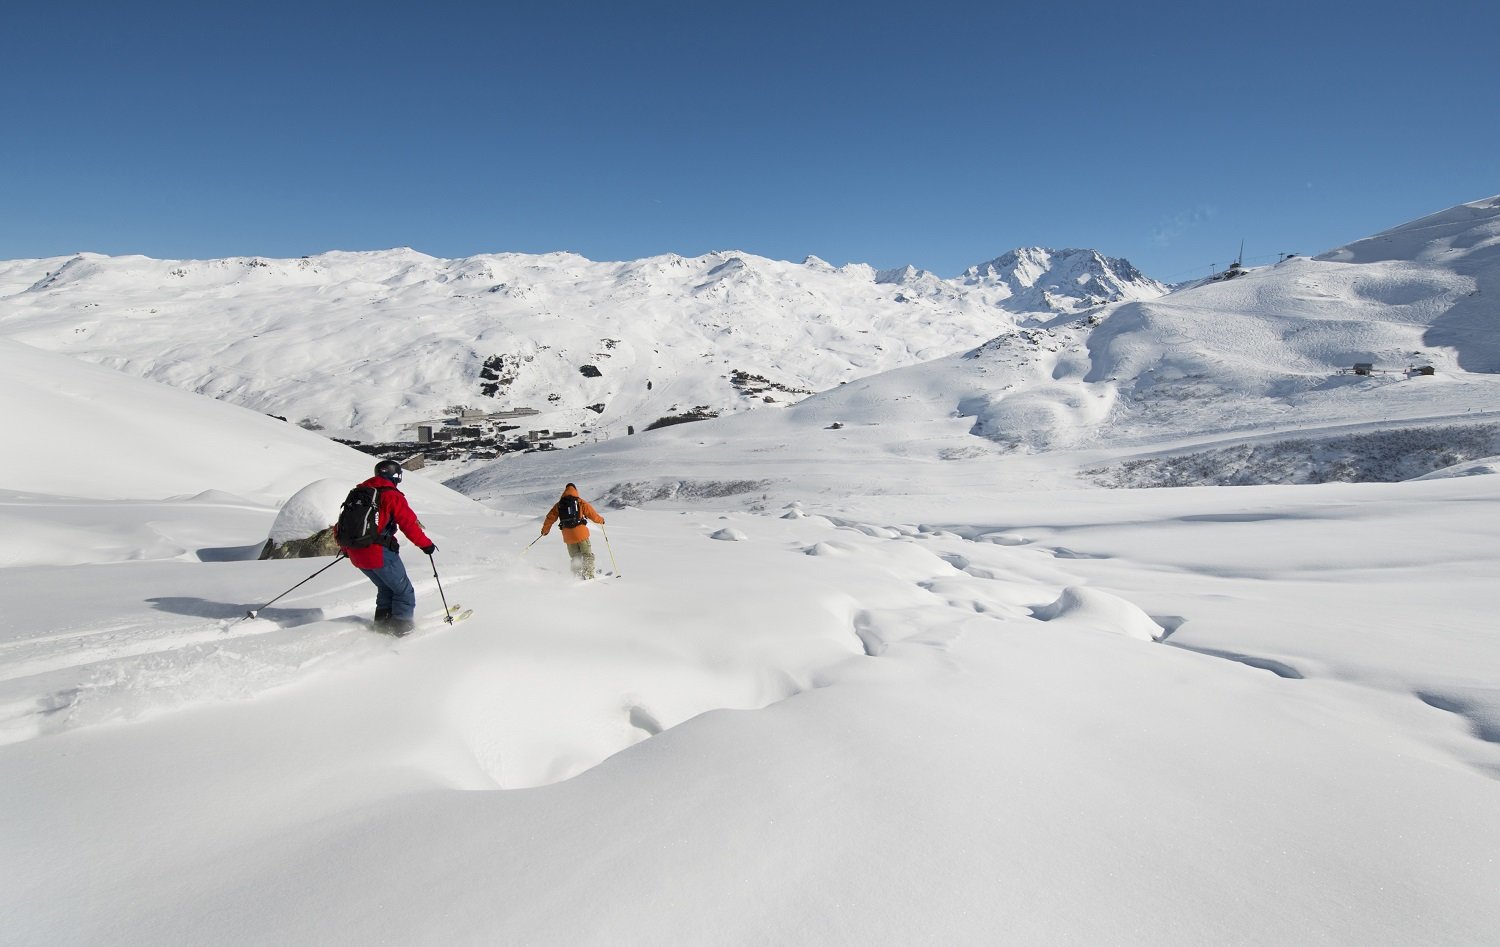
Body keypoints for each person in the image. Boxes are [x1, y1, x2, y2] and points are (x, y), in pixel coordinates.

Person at [340, 459, 436, 635]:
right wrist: (426, 545)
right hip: (379, 553)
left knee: (386, 588)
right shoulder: (391, 495)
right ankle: (402, 632)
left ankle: (382, 628)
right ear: (396, 476)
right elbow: (408, 524)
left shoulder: (358, 492)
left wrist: (348, 549)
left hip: (356, 552)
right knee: (403, 592)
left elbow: (343, 523)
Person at [541, 482, 606, 580]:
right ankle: (588, 574)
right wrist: (601, 520)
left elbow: (549, 518)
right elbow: (592, 514)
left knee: (575, 557)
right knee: (587, 555)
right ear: (575, 490)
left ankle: (576, 576)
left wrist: (545, 531)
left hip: (568, 536)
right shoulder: (580, 502)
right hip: (581, 534)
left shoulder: (558, 505)